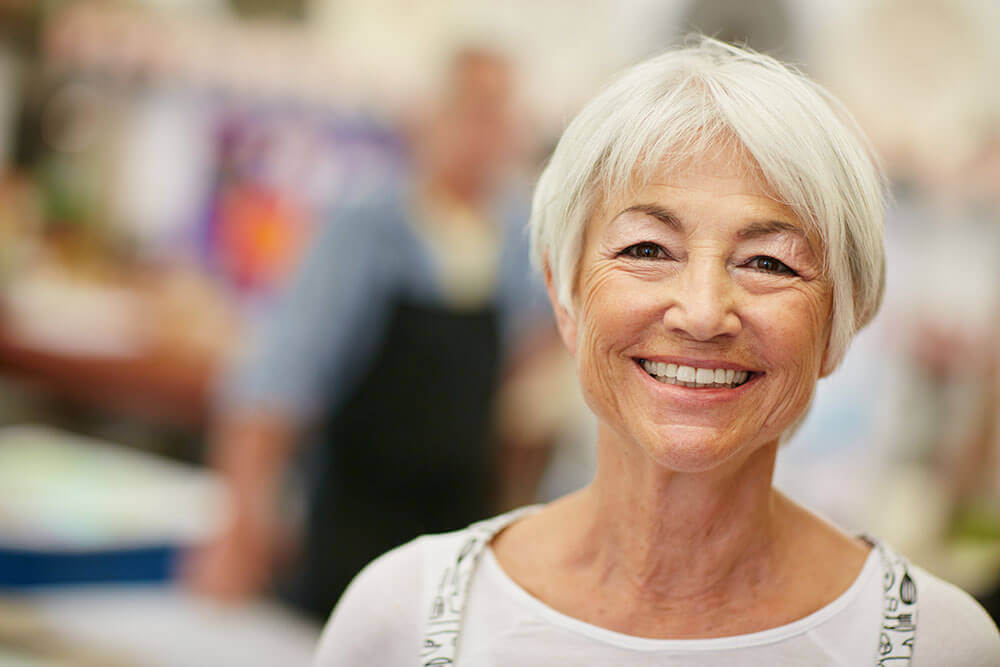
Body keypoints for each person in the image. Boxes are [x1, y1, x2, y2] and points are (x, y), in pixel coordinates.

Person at [314, 38, 1000, 665]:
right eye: (647, 249)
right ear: (563, 293)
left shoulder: (935, 643)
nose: (703, 312)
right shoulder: (402, 616)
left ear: (841, 321)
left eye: (768, 262)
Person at [187, 47, 557, 622]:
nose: (483, 133)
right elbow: (278, 377)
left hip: (459, 524)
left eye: (500, 115)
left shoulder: (523, 239)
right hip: (352, 523)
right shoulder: (366, 227)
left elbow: (527, 381)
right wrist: (242, 525)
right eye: (470, 110)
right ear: (427, 117)